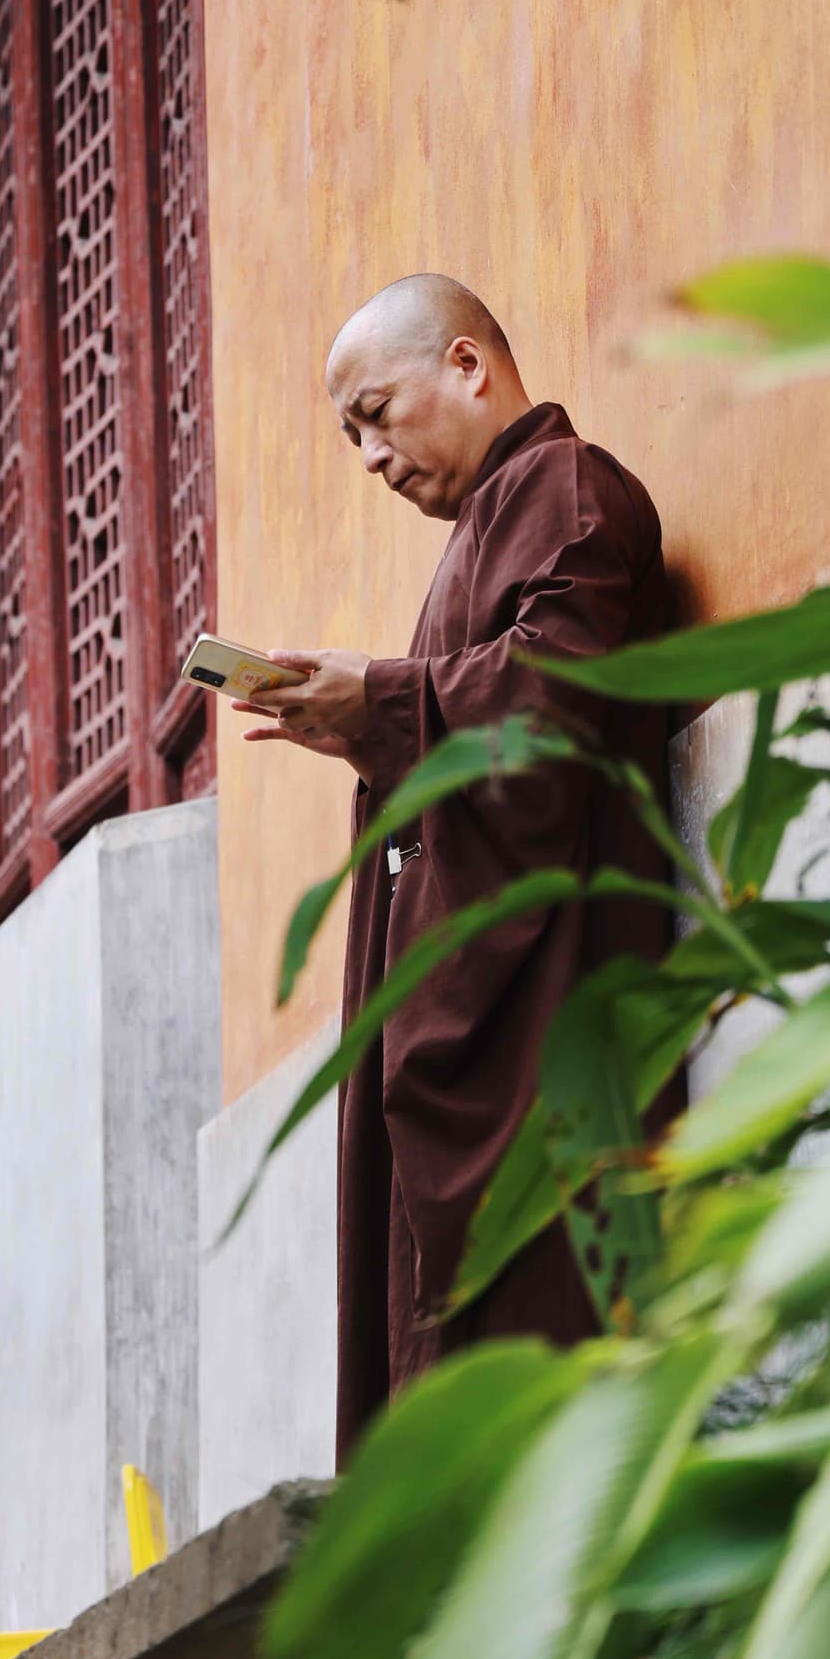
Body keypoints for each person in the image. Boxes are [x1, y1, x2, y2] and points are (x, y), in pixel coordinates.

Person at [248, 276, 671, 1457]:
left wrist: (382, 699)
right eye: (349, 437)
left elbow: (556, 701)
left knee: (536, 1412)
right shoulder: (477, 542)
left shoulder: (567, 490)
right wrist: (366, 720)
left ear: (471, 365)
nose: (371, 457)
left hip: (536, 1041)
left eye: (378, 413)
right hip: (450, 1054)